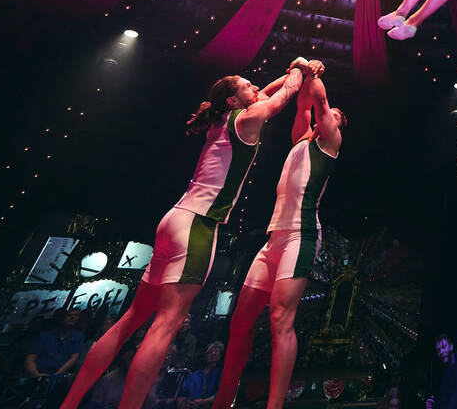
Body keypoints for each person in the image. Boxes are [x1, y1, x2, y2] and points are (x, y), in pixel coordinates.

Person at [60, 60, 316, 409]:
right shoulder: (246, 120)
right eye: (247, 85)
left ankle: (70, 403)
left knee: (132, 318)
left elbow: (267, 91)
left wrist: (288, 75)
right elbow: (280, 98)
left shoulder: (223, 122)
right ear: (233, 100)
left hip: (172, 220)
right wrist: (299, 70)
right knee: (166, 324)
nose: (255, 87)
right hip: (197, 226)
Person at [213, 68, 342, 409]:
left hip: (301, 236)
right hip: (273, 239)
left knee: (280, 319)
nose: (328, 115)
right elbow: (304, 102)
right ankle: (223, 400)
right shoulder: (302, 138)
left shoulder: (330, 141)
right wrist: (304, 70)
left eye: (334, 116)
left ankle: (274, 406)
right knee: (240, 320)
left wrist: (312, 67)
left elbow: (319, 97)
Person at [25, 308, 85, 391]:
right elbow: (30, 358)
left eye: (76, 316)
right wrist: (36, 374)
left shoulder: (78, 337)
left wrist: (56, 375)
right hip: (38, 374)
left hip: (58, 378)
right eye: (70, 315)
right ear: (62, 317)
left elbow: (73, 358)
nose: (73, 318)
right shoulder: (46, 336)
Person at [177, 341, 223, 408]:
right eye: (210, 351)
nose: (213, 353)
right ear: (206, 354)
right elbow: (183, 392)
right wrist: (189, 403)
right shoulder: (194, 375)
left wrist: (204, 402)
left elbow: (221, 394)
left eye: (216, 351)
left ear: (220, 356)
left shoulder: (221, 373)